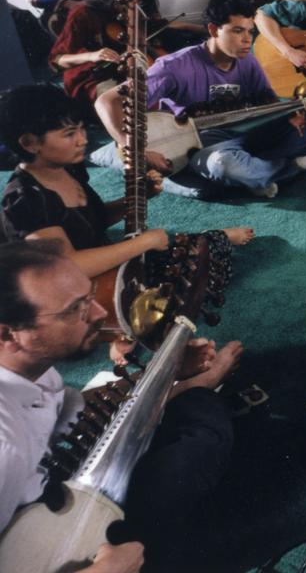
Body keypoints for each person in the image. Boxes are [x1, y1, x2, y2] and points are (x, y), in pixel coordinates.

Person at [0, 241, 244, 567]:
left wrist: (169, 372)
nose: (101, 314)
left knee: (191, 411)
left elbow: (71, 410)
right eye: (76, 308)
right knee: (200, 434)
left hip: (49, 495)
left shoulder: (28, 370)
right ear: (8, 334)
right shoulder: (5, 450)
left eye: (90, 297)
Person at [96, 0, 306, 199]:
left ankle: (257, 174)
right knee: (222, 165)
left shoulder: (248, 61)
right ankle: (293, 166)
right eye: (237, 31)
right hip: (201, 146)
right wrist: (133, 148)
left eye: (250, 32)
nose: (247, 40)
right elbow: (106, 101)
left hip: (249, 134)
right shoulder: (173, 67)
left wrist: (289, 117)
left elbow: (268, 102)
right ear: (213, 30)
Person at [0, 83, 251, 273]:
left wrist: (136, 199)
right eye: (69, 134)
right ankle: (206, 240)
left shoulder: (68, 168)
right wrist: (142, 243)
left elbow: (94, 221)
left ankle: (207, 240)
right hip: (72, 288)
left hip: (102, 255)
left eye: (82, 129)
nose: (83, 140)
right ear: (30, 143)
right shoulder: (24, 198)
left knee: (198, 257)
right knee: (185, 268)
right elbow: (68, 266)